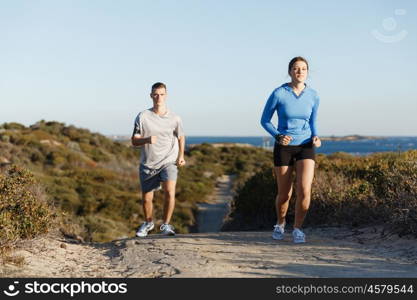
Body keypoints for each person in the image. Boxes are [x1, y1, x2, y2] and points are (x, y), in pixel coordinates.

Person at [260, 56, 321, 243]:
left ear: (307, 72)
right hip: (284, 147)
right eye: (296, 68)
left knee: (304, 190)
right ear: (290, 72)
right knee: (284, 193)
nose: (300, 72)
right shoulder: (279, 93)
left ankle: (298, 229)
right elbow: (264, 120)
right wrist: (278, 135)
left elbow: (312, 121)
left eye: (303, 69)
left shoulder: (313, 95)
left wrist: (316, 136)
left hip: (306, 146)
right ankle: (280, 223)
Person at [132, 82, 186, 237]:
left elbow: (181, 136)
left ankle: (166, 225)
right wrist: (146, 139)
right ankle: (148, 223)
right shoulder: (142, 116)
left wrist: (181, 156)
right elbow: (134, 141)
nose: (158, 97)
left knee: (170, 191)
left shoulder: (175, 118)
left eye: (162, 94)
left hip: (168, 161)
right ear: (151, 96)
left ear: (166, 96)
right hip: (148, 163)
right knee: (147, 199)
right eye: (155, 94)